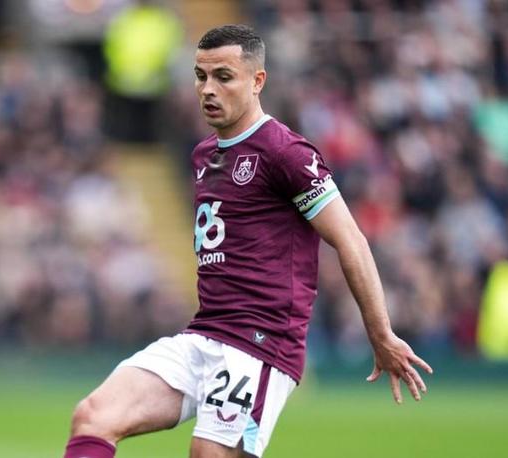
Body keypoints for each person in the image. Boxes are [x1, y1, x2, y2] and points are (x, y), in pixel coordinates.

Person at [62, 24, 433, 458]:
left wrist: (381, 334)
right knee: (94, 415)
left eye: (224, 76)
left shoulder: (286, 152)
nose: (208, 89)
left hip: (260, 342)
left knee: (209, 452)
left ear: (257, 81)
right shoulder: (204, 154)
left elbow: (351, 240)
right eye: (201, 76)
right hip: (204, 333)